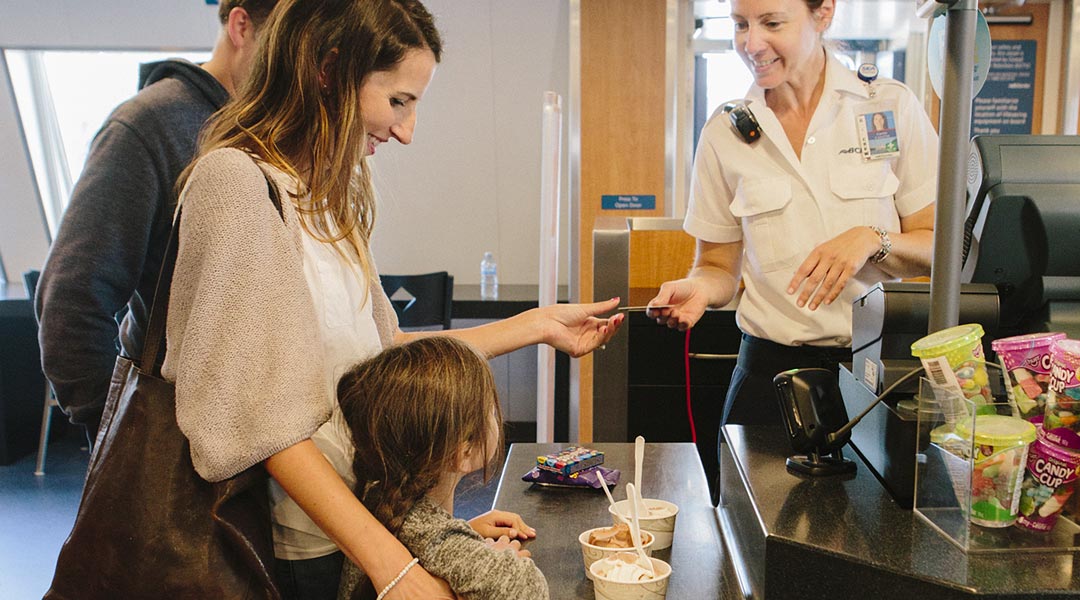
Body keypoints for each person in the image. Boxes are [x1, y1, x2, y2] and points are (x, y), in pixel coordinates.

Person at [165, 1, 623, 598]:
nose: (406, 131)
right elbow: (265, 426)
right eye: (398, 101)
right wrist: (395, 564)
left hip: (356, 531)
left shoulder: (326, 201)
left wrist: (538, 326)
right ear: (329, 71)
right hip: (301, 544)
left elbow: (386, 356)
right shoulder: (236, 185)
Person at [648, 0, 937, 431]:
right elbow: (716, 266)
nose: (751, 43)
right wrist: (699, 289)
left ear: (823, 14)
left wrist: (871, 238)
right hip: (770, 377)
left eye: (772, 23)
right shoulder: (723, 134)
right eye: (741, 24)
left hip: (877, 376)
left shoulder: (889, 107)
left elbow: (941, 246)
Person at [34, 0, 278, 444]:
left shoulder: (267, 130)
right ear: (242, 26)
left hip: (257, 439)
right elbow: (71, 304)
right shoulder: (147, 124)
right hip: (172, 443)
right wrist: (119, 436)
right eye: (292, 42)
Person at [336, 337, 549, 600]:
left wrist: (464, 533)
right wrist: (493, 559)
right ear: (464, 452)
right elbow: (528, 589)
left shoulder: (378, 496)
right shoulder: (432, 534)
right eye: (491, 410)